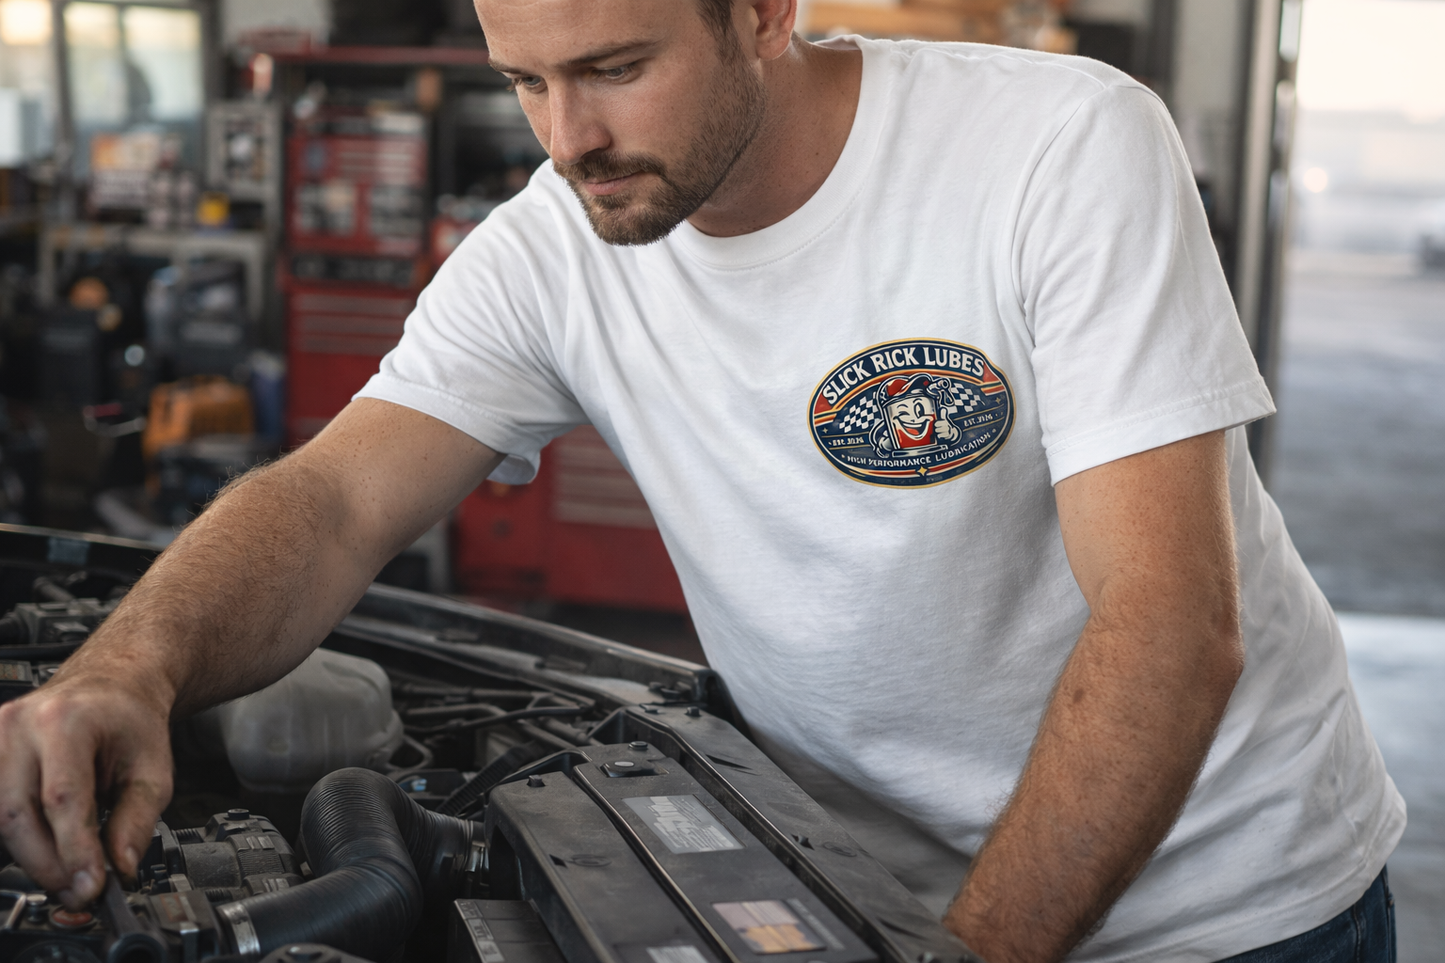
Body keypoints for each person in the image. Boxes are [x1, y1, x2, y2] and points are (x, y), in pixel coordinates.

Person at [0, 1, 1404, 961]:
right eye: (524, 81)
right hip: (868, 886)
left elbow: (1169, 624)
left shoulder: (1059, 150)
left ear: (763, 10)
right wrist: (135, 666)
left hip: (1226, 901)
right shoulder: (558, 244)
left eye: (614, 66)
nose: (567, 140)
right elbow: (333, 504)